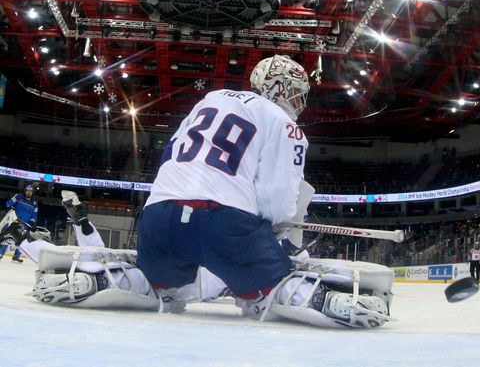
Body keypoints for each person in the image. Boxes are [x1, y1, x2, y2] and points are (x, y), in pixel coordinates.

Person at [73, 54, 390, 328]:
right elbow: (278, 200)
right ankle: (321, 299)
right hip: (220, 223)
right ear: (279, 88)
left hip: (158, 220)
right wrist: (273, 234)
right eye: (296, 92)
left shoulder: (210, 99)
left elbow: (173, 158)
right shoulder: (285, 123)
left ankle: (106, 280)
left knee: (167, 290)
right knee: (269, 290)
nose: (299, 102)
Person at [1, 184, 38, 263]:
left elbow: (34, 215)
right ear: (25, 191)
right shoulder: (18, 197)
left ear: (32, 192)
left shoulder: (34, 203)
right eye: (27, 191)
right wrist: (11, 205)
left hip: (25, 225)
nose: (29, 193)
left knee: (24, 241)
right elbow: (7, 204)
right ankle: (0, 254)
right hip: (14, 222)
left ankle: (16, 256)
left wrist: (32, 221)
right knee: (8, 238)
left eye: (30, 191)